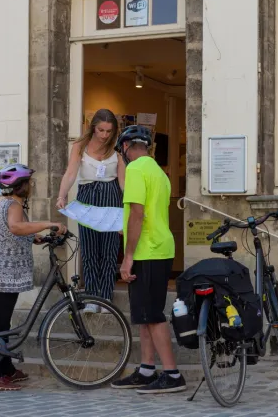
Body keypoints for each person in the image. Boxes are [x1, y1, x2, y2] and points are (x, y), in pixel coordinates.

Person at [0, 164, 67, 391]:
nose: (31, 186)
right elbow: (16, 227)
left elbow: (10, 233)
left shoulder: (3, 204)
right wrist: (50, 223)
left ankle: (6, 368)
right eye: (29, 182)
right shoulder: (13, 205)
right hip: (2, 275)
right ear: (20, 185)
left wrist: (36, 237)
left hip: (0, 274)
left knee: (2, 323)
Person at [110, 125, 186, 394]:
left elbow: (138, 215)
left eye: (122, 151)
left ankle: (173, 374)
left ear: (127, 147)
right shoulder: (159, 172)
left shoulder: (135, 169)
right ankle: (146, 369)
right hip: (161, 247)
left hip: (148, 250)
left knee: (152, 315)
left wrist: (127, 257)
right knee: (144, 314)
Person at [56, 109, 126, 313]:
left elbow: (123, 182)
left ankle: (105, 298)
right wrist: (62, 195)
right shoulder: (80, 145)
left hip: (111, 198)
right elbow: (70, 173)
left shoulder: (117, 147)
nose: (104, 135)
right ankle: (92, 298)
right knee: (89, 250)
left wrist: (128, 208)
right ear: (93, 127)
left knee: (109, 250)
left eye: (108, 131)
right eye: (101, 130)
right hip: (87, 196)